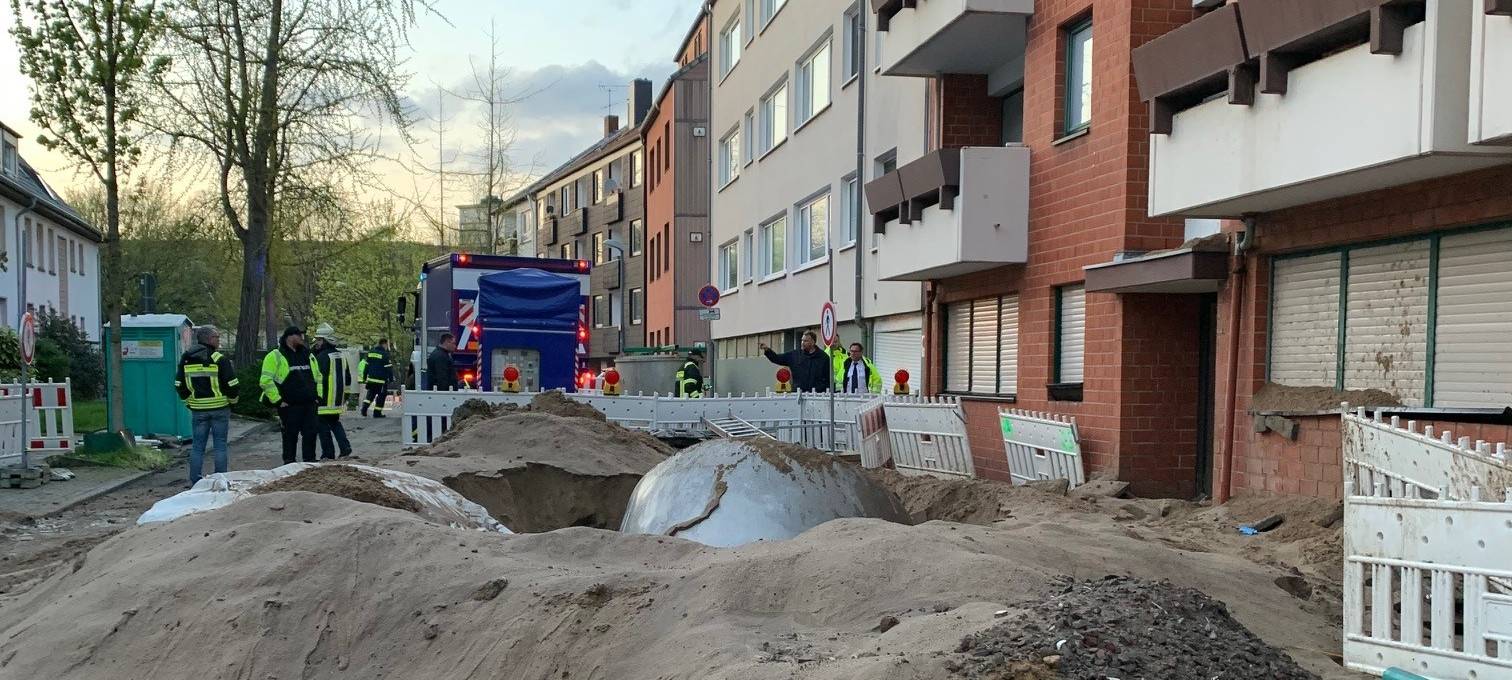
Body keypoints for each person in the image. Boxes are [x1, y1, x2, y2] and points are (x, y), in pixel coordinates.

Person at [174, 325, 238, 486]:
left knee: (197, 446)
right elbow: (232, 385)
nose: (219, 340)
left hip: (198, 410)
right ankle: (220, 480)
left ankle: (195, 481)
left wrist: (188, 401)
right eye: (217, 337)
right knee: (220, 445)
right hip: (220, 409)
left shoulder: (186, 359)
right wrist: (233, 401)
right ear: (209, 339)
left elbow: (178, 384)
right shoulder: (219, 359)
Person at [260, 326, 323, 464]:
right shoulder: (275, 356)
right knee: (290, 436)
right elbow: (265, 381)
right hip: (289, 406)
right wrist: (278, 401)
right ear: (290, 337)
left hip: (310, 404)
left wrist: (318, 396)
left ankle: (309, 462)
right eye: (299, 335)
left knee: (311, 434)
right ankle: (289, 464)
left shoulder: (308, 354)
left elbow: (318, 377)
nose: (302, 339)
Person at [311, 325, 353, 459]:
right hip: (337, 400)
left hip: (323, 399)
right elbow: (347, 378)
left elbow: (317, 378)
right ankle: (345, 448)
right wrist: (345, 396)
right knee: (335, 423)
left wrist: (315, 396)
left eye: (318, 340)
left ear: (325, 340)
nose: (316, 342)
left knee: (322, 427)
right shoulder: (341, 355)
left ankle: (328, 454)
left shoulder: (322, 357)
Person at [761, 331, 832, 393]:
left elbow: (828, 379)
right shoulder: (795, 355)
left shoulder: (823, 357)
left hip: (817, 396)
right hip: (798, 395)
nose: (802, 343)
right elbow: (777, 358)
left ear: (813, 342)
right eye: (802, 340)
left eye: (805, 341)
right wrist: (767, 350)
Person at [362, 339, 393, 417]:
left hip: (371, 379)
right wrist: (391, 379)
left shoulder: (371, 353)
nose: (387, 347)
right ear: (384, 344)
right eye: (387, 345)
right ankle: (377, 413)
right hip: (381, 381)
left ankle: (364, 409)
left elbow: (366, 367)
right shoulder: (385, 355)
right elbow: (389, 368)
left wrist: (364, 377)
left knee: (370, 395)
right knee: (381, 396)